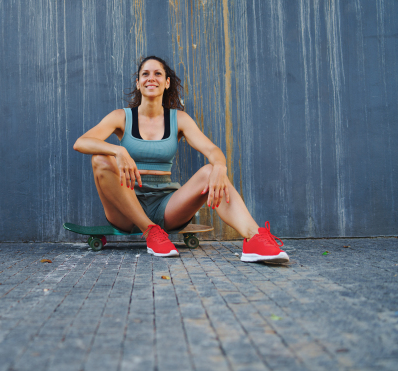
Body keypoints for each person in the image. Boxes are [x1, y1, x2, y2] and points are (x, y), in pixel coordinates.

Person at [73, 56, 288, 263]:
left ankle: (254, 238)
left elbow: (212, 149)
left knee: (209, 172)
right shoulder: (121, 117)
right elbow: (82, 142)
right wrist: (118, 151)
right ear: (138, 83)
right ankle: (150, 231)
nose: (151, 78)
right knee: (100, 158)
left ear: (166, 83)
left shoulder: (179, 119)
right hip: (125, 208)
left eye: (158, 74)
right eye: (145, 74)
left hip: (166, 206)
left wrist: (220, 166)